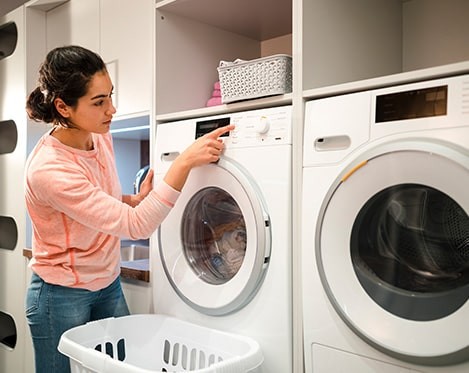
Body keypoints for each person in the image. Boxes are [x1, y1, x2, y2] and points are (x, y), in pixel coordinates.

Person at [24, 45, 233, 373]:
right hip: (60, 295)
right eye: (99, 102)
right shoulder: (48, 168)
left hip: (107, 283)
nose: (112, 109)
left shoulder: (98, 134)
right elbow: (137, 227)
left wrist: (130, 200)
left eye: (110, 95)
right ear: (63, 107)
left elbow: (93, 199)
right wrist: (185, 162)